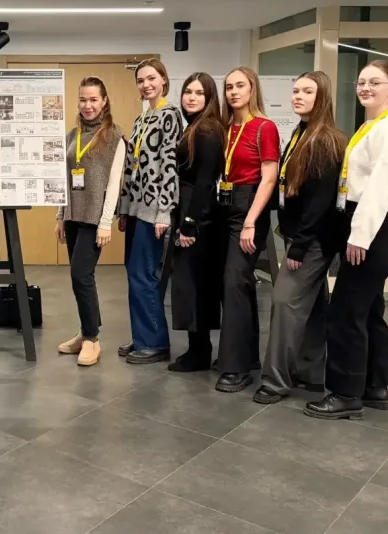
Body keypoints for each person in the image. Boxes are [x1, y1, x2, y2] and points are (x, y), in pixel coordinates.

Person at [306, 60, 388, 420]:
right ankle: (375, 385)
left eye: (375, 82)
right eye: (362, 82)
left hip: (374, 228)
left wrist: (360, 237)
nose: (366, 87)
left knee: (345, 312)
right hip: (367, 223)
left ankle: (346, 393)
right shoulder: (371, 126)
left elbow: (379, 189)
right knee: (369, 309)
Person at [254, 71, 346, 404]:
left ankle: (276, 381)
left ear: (322, 98)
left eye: (307, 91)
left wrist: (300, 246)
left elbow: (320, 202)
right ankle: (310, 372)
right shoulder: (301, 132)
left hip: (313, 240)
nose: (298, 96)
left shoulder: (324, 140)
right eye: (295, 91)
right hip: (302, 235)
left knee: (284, 301)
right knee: (313, 305)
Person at [213, 66, 280, 393]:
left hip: (249, 207)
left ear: (252, 89)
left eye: (240, 86)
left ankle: (236, 368)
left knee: (234, 282)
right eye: (229, 87)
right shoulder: (226, 128)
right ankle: (246, 354)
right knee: (238, 284)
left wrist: (251, 221)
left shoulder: (264, 127)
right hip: (224, 205)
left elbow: (269, 178)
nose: (234, 92)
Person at [55, 77, 127, 367]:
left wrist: (106, 222)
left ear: (104, 101)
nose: (88, 105)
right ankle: (85, 331)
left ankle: (92, 340)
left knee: (80, 275)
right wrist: (60, 216)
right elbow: (64, 179)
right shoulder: (72, 135)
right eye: (83, 99)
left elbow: (114, 183)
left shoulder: (115, 136)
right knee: (80, 277)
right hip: (73, 215)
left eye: (94, 99)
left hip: (94, 218)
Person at [118, 58, 182, 364]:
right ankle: (142, 335)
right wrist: (123, 209)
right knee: (133, 273)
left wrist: (164, 211)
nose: (146, 85)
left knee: (143, 274)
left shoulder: (170, 115)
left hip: (153, 209)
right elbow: (132, 167)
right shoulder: (141, 118)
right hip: (135, 208)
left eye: (152, 78)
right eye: (141, 80)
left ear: (164, 80)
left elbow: (169, 166)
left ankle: (155, 342)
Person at [167, 73, 224, 372]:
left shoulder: (207, 129)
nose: (191, 97)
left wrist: (190, 223)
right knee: (189, 283)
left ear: (209, 97)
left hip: (197, 212)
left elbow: (205, 181)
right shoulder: (194, 126)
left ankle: (200, 351)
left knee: (194, 283)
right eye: (188, 91)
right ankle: (197, 347)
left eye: (199, 93)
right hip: (189, 206)